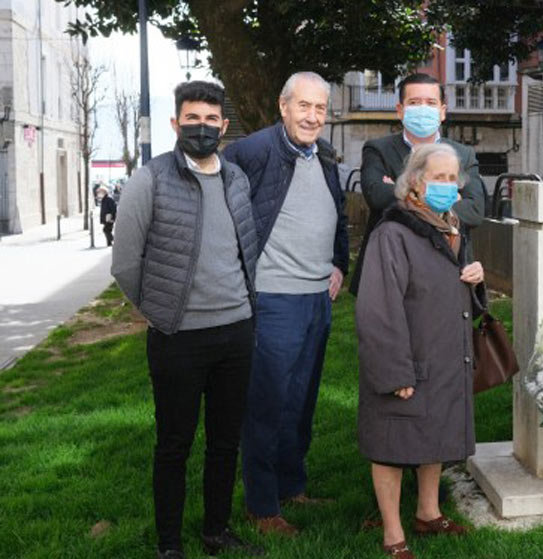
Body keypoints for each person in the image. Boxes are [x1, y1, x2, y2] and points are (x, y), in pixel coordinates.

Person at [111, 81, 262, 559]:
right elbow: (125, 263)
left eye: (211, 120)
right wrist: (160, 311)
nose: (202, 127)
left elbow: (246, 250)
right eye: (192, 119)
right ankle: (169, 545)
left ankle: (216, 533)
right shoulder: (150, 180)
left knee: (224, 443)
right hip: (177, 337)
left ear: (223, 125)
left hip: (236, 333)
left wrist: (246, 307)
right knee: (173, 446)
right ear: (176, 124)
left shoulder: (236, 179)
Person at [223, 71, 349, 536]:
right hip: (273, 300)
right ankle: (261, 505)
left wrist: (339, 264)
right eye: (304, 106)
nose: (312, 116)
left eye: (320, 108)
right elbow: (227, 220)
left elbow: (335, 218)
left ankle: (293, 486)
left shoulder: (327, 156)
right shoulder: (251, 151)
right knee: (267, 405)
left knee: (301, 401)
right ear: (283, 106)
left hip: (318, 299)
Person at [356, 143, 485, 559]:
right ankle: (393, 536)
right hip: (407, 360)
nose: (448, 186)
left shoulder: (449, 227)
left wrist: (475, 277)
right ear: (415, 183)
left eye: (453, 179)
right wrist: (395, 373)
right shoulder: (393, 232)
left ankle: (428, 513)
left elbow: (457, 290)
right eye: (438, 178)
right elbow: (378, 309)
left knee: (436, 432)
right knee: (392, 444)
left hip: (443, 354)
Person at [350, 72, 485, 296]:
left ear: (442, 111)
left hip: (451, 268)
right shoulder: (378, 149)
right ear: (400, 110)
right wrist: (445, 198)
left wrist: (402, 190)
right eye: (414, 102)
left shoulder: (463, 154)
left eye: (431, 103)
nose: (423, 108)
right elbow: (377, 196)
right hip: (390, 268)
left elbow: (475, 210)